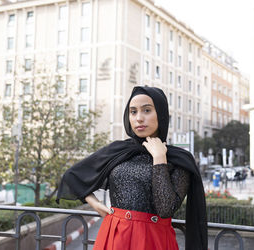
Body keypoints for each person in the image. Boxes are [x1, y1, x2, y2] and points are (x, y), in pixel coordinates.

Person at [57, 86, 207, 250]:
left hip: (154, 241)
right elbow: (73, 176)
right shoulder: (119, 150)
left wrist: (159, 159)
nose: (139, 118)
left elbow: (165, 209)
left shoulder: (178, 159)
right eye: (133, 112)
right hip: (114, 236)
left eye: (147, 110)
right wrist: (94, 203)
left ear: (161, 115)